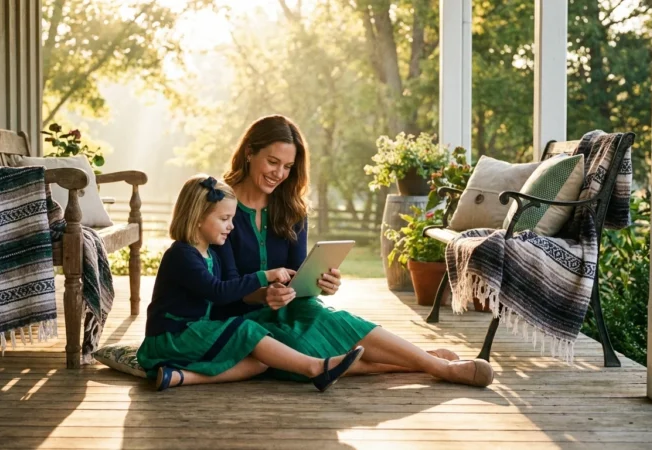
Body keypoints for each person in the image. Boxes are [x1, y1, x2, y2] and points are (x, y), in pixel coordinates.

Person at [210, 115, 494, 387]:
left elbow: (297, 275)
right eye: (273, 162)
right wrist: (264, 294)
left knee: (332, 321)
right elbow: (225, 284)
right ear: (250, 152)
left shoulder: (292, 208)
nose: (280, 174)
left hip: (291, 308)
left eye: (287, 167)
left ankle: (439, 368)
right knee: (302, 354)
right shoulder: (220, 206)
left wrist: (320, 283)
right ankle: (424, 361)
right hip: (241, 318)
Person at [137, 175, 365, 392]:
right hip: (169, 338)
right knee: (247, 331)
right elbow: (218, 292)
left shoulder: (211, 255)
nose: (231, 226)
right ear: (197, 219)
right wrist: (264, 276)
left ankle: (178, 377)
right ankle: (316, 368)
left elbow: (226, 292)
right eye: (224, 219)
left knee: (260, 362)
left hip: (194, 333)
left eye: (232, 219)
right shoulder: (181, 255)